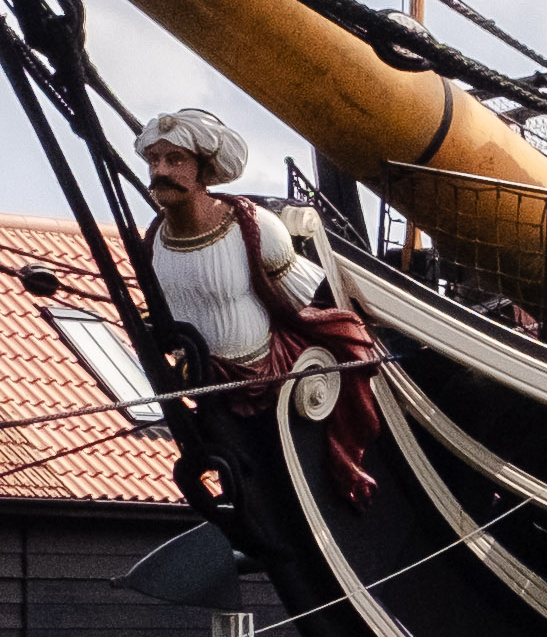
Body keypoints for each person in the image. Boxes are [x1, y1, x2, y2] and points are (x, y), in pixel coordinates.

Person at [128, 101, 381, 488]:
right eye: (155, 160)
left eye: (175, 159)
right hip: (206, 390)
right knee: (239, 480)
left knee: (283, 479)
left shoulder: (254, 228)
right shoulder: (154, 245)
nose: (160, 171)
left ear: (204, 168)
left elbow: (305, 301)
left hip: (276, 384)